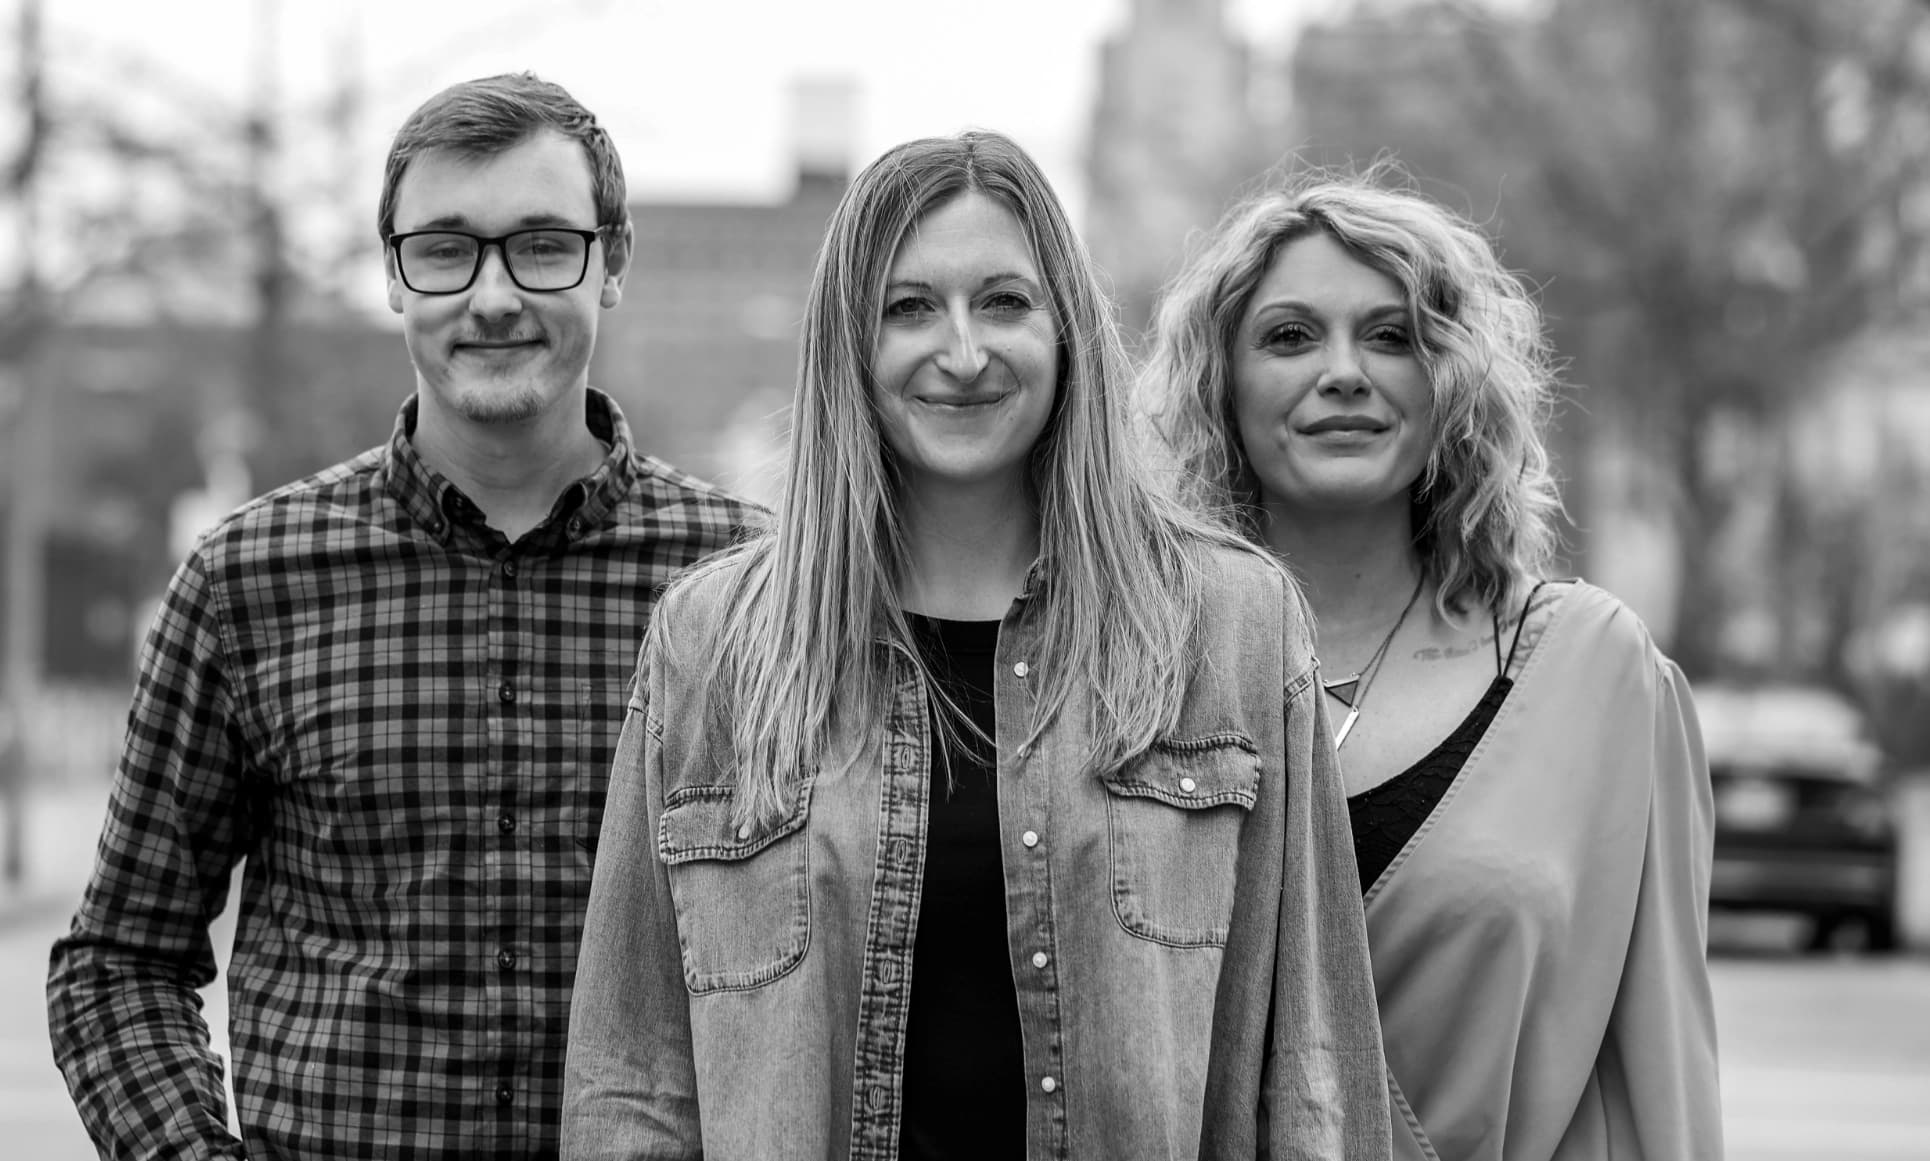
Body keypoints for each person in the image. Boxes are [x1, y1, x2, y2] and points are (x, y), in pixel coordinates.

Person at [561, 130, 1391, 1161]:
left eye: (1003, 301)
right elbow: (633, 1086)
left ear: (1067, 333)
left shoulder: (1230, 626)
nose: (961, 352)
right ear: (849, 348)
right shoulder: (713, 646)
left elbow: (1310, 1071)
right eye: (909, 308)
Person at [47, 73, 759, 1160]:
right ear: (392, 274)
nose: (492, 294)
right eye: (444, 248)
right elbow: (119, 960)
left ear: (612, 262)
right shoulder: (249, 582)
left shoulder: (749, 585)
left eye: (540, 243)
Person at [1141, 171, 1722, 1160]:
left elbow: (1658, 1076)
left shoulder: (1596, 676)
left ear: (1451, 381)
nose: (1342, 372)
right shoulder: (1132, 673)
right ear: (1219, 385)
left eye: (1391, 335)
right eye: (1288, 337)